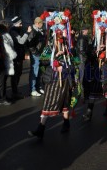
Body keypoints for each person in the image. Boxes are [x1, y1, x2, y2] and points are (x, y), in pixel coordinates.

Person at [28, 9, 80, 139]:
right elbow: (43, 60)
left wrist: (65, 69)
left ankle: (66, 123)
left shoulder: (70, 47)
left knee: (65, 103)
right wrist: (54, 59)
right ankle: (41, 128)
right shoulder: (50, 46)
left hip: (65, 79)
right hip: (52, 80)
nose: (60, 33)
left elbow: (76, 63)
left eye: (62, 31)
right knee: (48, 102)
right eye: (58, 31)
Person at [9, 16, 32, 99]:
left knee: (19, 73)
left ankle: (15, 91)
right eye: (20, 23)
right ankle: (14, 92)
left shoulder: (17, 30)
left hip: (19, 55)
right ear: (16, 23)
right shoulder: (13, 31)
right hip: (16, 56)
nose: (21, 25)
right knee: (16, 74)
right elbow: (21, 41)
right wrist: (27, 32)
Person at [0, 21, 17, 102]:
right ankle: (2, 98)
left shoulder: (5, 35)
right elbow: (7, 48)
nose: (8, 27)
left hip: (6, 59)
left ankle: (4, 96)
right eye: (7, 26)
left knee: (4, 80)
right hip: (6, 59)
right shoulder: (3, 35)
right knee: (2, 80)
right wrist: (13, 55)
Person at [27, 17, 46, 97]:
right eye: (42, 23)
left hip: (40, 53)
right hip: (36, 54)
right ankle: (33, 89)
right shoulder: (33, 32)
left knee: (39, 71)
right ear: (38, 23)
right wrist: (35, 52)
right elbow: (29, 43)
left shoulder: (40, 31)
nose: (43, 25)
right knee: (34, 71)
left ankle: (38, 87)